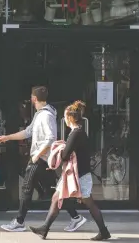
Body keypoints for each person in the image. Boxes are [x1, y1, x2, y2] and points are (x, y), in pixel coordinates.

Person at [0, 86, 87, 232]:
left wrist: (37, 155)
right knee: (56, 191)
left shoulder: (45, 116)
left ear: (33, 98)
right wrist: (8, 138)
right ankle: (76, 217)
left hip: (40, 159)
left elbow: (50, 138)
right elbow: (28, 132)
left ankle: (19, 221)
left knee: (27, 188)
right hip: (42, 159)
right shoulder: (40, 114)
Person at [29, 101, 111, 241]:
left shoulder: (76, 133)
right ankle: (45, 228)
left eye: (65, 116)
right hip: (78, 173)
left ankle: (103, 231)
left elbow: (66, 154)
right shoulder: (78, 132)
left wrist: (57, 153)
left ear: (70, 118)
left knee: (88, 202)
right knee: (57, 198)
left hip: (78, 175)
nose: (64, 119)